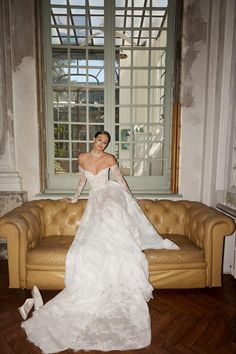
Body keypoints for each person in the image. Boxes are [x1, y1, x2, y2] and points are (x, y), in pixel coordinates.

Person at [20, 130, 179, 353]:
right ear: (93, 139)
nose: (102, 144)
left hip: (111, 195)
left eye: (105, 142)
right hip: (95, 198)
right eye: (100, 140)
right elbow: (82, 180)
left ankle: (121, 260)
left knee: (115, 227)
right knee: (92, 237)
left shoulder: (110, 159)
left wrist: (131, 200)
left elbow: (120, 180)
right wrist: (75, 198)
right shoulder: (82, 158)